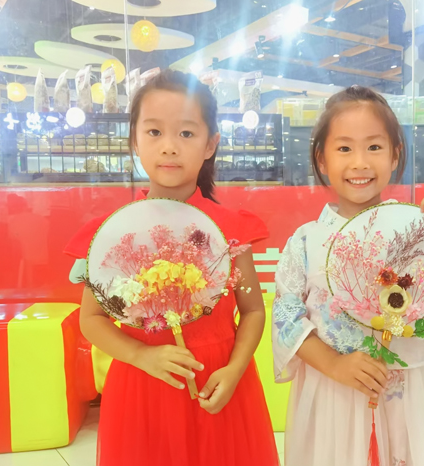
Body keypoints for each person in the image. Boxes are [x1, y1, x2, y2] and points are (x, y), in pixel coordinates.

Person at [272, 86, 424, 466]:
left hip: (409, 399)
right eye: (344, 148)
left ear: (395, 153)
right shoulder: (306, 240)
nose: (360, 162)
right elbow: (286, 318)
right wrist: (334, 364)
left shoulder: (422, 234)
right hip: (334, 394)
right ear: (321, 159)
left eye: (374, 147)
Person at [64, 70, 278, 466]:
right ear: (134, 141)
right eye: (154, 132)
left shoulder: (231, 230)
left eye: (186, 133)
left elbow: (252, 310)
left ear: (210, 144)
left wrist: (235, 369)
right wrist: (140, 356)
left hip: (219, 382)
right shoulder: (112, 234)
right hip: (142, 384)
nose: (169, 147)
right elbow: (91, 319)